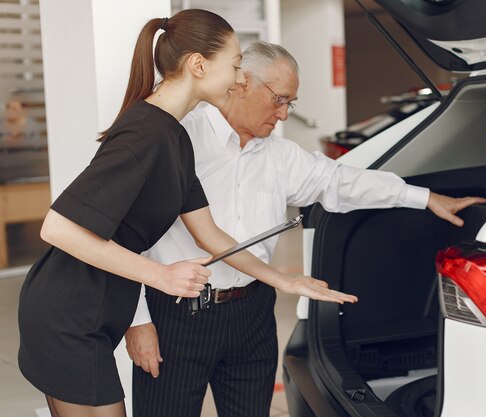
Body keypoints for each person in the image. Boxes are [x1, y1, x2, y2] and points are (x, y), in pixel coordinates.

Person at [17, 14, 356, 417]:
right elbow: (58, 228)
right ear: (198, 66)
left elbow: (210, 234)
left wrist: (285, 280)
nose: (240, 79)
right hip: (69, 313)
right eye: (234, 66)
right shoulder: (146, 133)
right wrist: (161, 275)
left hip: (99, 309)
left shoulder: (176, 136)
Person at [126, 41, 486, 417]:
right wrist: (137, 322)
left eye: (290, 104)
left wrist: (426, 198)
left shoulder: (281, 156)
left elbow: (342, 183)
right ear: (243, 82)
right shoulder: (181, 137)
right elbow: (130, 236)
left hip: (252, 314)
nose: (283, 115)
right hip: (176, 316)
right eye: (279, 99)